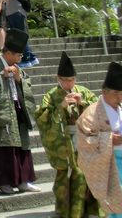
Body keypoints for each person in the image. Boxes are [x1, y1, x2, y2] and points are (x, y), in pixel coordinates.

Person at [35, 52, 101, 218]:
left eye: (71, 80)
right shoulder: (50, 95)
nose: (68, 83)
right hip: (63, 139)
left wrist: (83, 104)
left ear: (75, 79)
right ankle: (65, 209)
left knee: (87, 173)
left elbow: (98, 111)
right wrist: (61, 106)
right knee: (64, 175)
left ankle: (89, 208)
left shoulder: (84, 92)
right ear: (58, 78)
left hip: (84, 138)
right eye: (64, 80)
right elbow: (42, 118)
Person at [0, 28, 40, 195]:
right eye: (18, 56)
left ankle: (24, 180)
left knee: (23, 146)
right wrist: (1, 75)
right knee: (3, 148)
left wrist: (20, 78)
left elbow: (27, 83)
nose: (20, 59)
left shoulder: (17, 68)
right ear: (9, 53)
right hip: (1, 109)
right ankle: (3, 181)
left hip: (18, 108)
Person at [76, 61, 122, 217]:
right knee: (113, 201)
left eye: (121, 92)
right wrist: (110, 139)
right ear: (104, 92)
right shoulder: (91, 114)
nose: (119, 96)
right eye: (115, 93)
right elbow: (85, 142)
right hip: (108, 164)